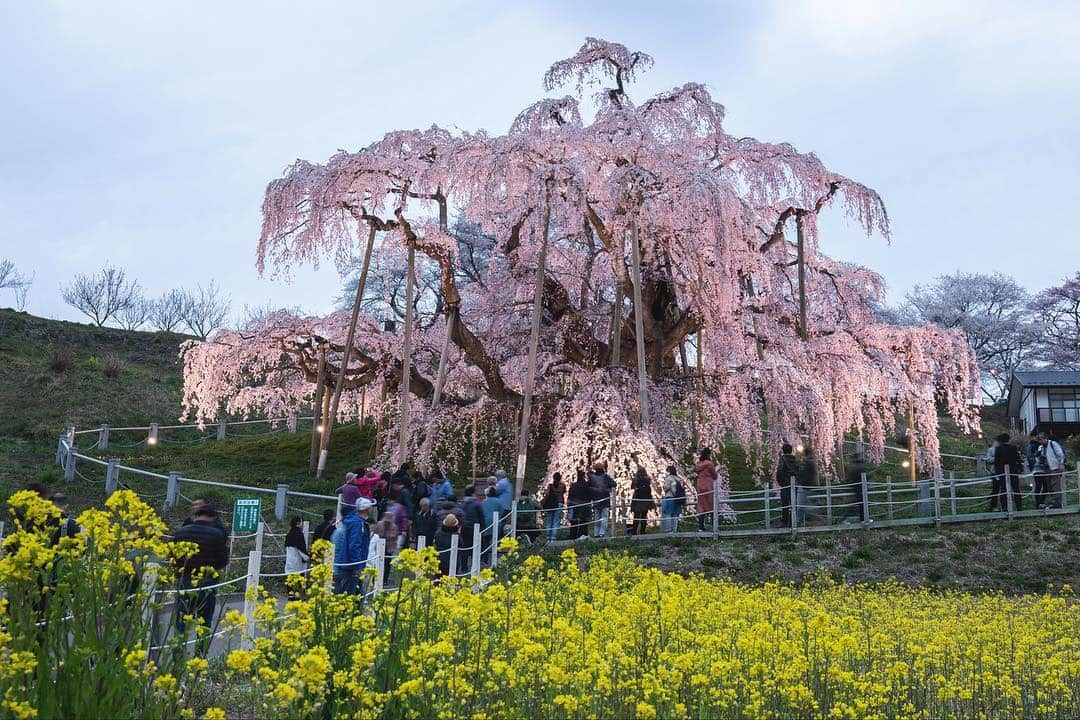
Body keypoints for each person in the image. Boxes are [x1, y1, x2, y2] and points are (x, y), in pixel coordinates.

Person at [172, 505, 229, 640]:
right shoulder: (217, 534)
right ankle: (200, 656)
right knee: (204, 623)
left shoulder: (181, 532)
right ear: (213, 517)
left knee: (181, 622)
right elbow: (223, 560)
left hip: (184, 580)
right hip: (208, 581)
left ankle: (177, 658)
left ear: (196, 516)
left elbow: (173, 557)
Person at [332, 497, 373, 595]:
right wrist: (358, 566)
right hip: (351, 566)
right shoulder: (358, 523)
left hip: (348, 564)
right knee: (350, 594)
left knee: (352, 593)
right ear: (366, 509)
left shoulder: (352, 521)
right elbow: (354, 545)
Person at [988, 433, 1022, 512]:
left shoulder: (998, 449)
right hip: (1013, 472)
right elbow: (1018, 459)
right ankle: (1019, 507)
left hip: (1002, 472)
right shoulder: (1013, 448)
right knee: (1016, 490)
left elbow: (996, 462)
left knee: (1004, 490)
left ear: (1000, 441)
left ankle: (1005, 508)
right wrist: (1019, 468)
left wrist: (997, 473)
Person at [1037, 432, 1066, 509]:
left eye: (1041, 439)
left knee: (1055, 485)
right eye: (1039, 440)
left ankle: (1057, 502)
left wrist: (1061, 463)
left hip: (1055, 467)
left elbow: (1060, 454)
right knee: (1049, 485)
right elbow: (1038, 457)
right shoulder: (1041, 447)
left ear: (1046, 438)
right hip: (1046, 468)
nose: (1040, 441)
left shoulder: (1053, 444)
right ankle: (1054, 501)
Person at [775, 444, 800, 527]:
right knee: (794, 503)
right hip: (794, 484)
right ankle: (793, 521)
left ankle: (785, 522)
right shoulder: (795, 459)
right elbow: (799, 470)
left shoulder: (783, 459)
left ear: (783, 450)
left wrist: (781, 482)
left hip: (786, 484)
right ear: (791, 450)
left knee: (785, 504)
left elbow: (780, 471)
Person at [588, 463, 616, 537]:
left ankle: (596, 533)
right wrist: (607, 489)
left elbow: (589, 487)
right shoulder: (605, 477)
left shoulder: (592, 478)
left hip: (596, 500)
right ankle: (602, 533)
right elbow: (614, 484)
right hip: (605, 500)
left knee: (597, 517)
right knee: (604, 517)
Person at [695, 449, 718, 531]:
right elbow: (715, 476)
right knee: (712, 504)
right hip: (708, 485)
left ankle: (701, 527)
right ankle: (714, 526)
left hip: (700, 485)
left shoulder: (698, 464)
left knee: (701, 505)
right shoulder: (709, 464)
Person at [567, 468, 594, 539]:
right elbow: (590, 494)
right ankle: (583, 534)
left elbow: (570, 496)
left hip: (574, 505)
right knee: (583, 521)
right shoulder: (587, 485)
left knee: (574, 521)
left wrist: (569, 505)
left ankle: (573, 535)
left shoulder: (573, 485)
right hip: (584, 504)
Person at [630, 461, 654, 535]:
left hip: (637, 500)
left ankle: (634, 531)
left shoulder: (635, 479)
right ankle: (642, 531)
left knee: (636, 517)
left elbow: (632, 487)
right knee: (644, 516)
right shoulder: (648, 479)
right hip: (646, 500)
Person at [796, 447, 819, 525]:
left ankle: (798, 521)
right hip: (808, 486)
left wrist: (801, 483)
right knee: (806, 504)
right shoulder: (810, 462)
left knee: (800, 505)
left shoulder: (808, 462)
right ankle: (800, 521)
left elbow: (805, 475)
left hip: (805, 486)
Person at [541, 472, 567, 541]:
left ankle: (548, 536)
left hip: (551, 504)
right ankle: (553, 537)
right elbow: (564, 492)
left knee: (549, 520)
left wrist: (543, 502)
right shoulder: (562, 485)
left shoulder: (550, 486)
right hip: (559, 503)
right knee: (556, 520)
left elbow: (547, 494)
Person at [660, 466, 685, 533]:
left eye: (667, 471)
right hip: (677, 498)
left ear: (669, 471)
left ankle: (668, 530)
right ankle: (674, 530)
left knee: (668, 514)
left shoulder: (669, 478)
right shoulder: (678, 479)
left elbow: (666, 488)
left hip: (670, 498)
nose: (666, 472)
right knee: (675, 515)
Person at [847, 454, 870, 522]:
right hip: (861, 488)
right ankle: (864, 519)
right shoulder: (861, 466)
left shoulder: (853, 466)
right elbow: (865, 476)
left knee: (860, 503)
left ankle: (862, 518)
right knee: (863, 504)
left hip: (855, 487)